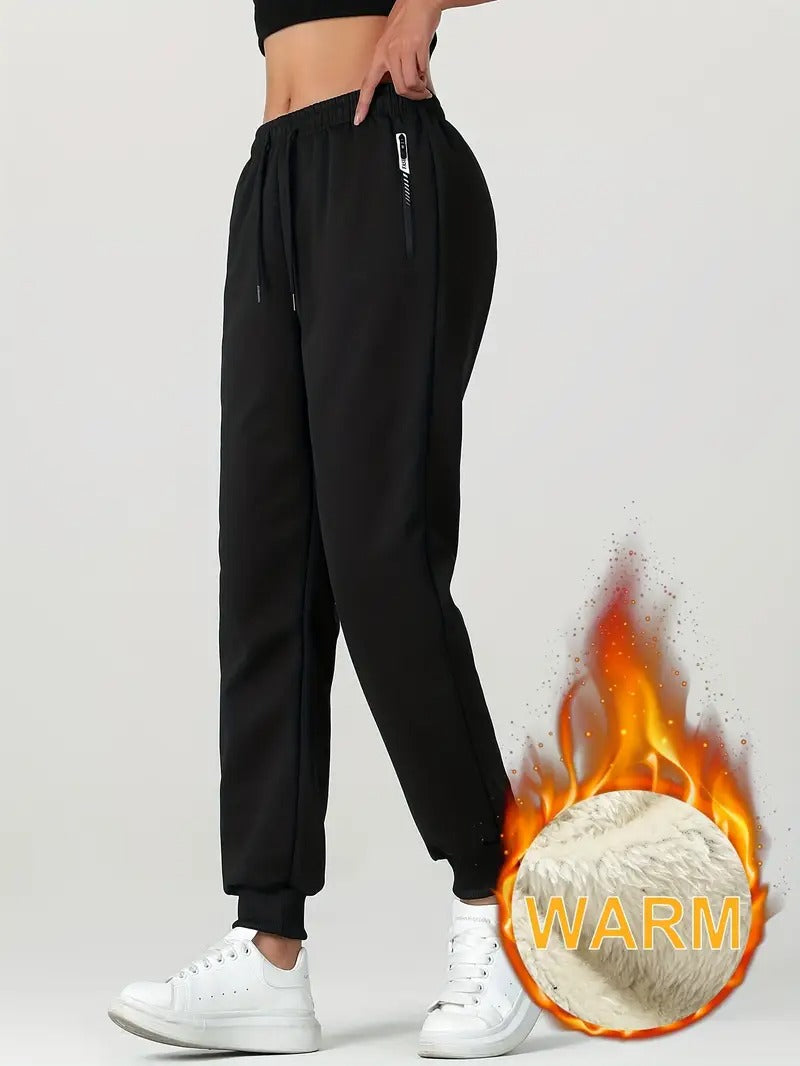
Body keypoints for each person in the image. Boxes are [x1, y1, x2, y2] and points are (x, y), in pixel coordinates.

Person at [109, 0, 540, 1057]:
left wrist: (420, 7)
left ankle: (503, 903)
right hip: (275, 178)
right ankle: (268, 948)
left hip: (382, 157)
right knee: (268, 565)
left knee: (378, 557)